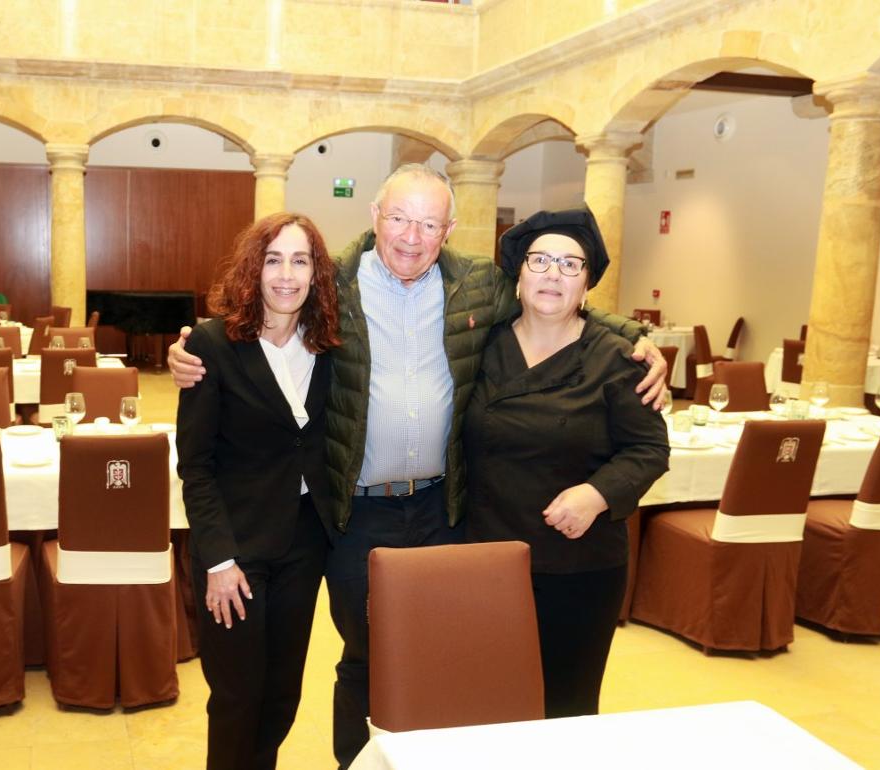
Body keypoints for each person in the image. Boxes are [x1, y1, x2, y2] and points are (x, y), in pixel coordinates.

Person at [170, 164, 669, 768]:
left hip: (443, 509)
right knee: (365, 657)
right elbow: (262, 303)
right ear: (375, 216)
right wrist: (193, 344)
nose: (412, 236)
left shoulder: (478, 284)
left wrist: (637, 336)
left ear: (449, 230)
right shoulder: (332, 280)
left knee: (440, 653)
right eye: (400, 218)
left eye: (429, 223)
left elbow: (554, 298)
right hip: (359, 511)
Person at [464, 207, 670, 719]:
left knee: (564, 711)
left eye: (570, 265)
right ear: (518, 276)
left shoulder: (620, 359)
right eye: (539, 261)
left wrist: (597, 494)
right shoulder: (480, 346)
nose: (552, 273)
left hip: (577, 567)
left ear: (586, 285)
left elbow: (650, 449)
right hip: (485, 555)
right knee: (486, 703)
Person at [176, 212, 340, 770]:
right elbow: (195, 465)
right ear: (254, 268)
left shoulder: (328, 345)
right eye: (274, 260)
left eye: (301, 261)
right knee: (237, 697)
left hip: (303, 543)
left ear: (317, 273)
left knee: (282, 694)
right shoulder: (212, 344)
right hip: (235, 549)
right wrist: (218, 559)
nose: (287, 275)